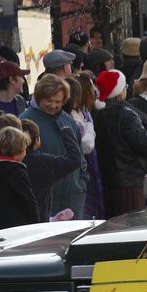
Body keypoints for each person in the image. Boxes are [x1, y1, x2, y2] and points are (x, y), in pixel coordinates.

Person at [94, 69, 147, 217]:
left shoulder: (100, 115)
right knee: (131, 222)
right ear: (119, 92)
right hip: (131, 182)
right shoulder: (126, 114)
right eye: (124, 88)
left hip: (111, 181)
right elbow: (143, 143)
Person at [21, 75, 87, 219]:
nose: (53, 105)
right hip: (44, 202)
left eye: (57, 101)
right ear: (39, 98)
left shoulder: (68, 120)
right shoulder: (25, 122)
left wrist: (81, 184)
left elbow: (81, 158)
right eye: (48, 101)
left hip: (73, 199)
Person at [20, 117, 83, 221]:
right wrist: (67, 133)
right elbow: (74, 160)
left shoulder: (7, 163)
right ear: (37, 140)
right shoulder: (44, 162)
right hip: (38, 221)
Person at [0, 126, 40, 232]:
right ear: (19, 150)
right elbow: (28, 201)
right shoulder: (16, 171)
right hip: (14, 226)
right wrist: (36, 224)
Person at [66, 72, 103, 219]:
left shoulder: (84, 113)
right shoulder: (73, 116)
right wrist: (90, 128)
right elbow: (87, 145)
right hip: (82, 167)